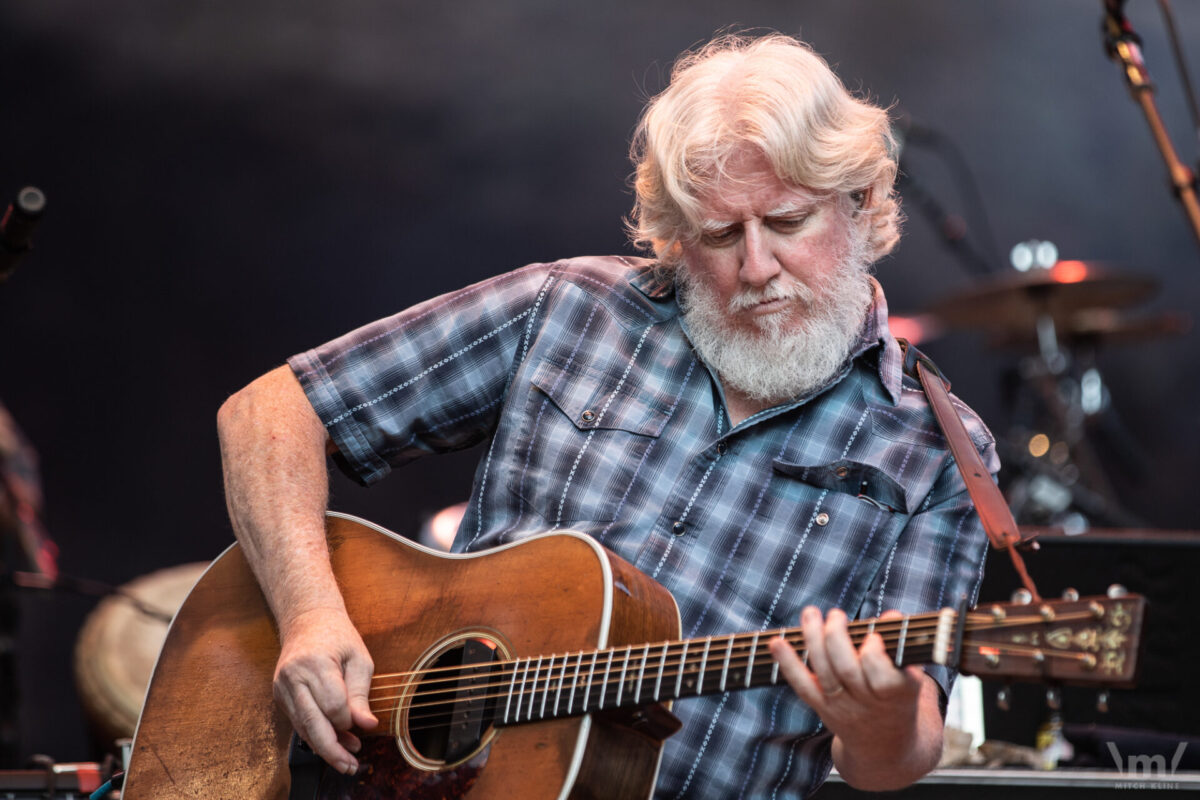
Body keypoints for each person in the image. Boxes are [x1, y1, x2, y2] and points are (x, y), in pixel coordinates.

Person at [217, 32, 996, 798]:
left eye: (788, 222)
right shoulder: (567, 309)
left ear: (858, 202)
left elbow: (895, 758)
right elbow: (269, 413)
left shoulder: (936, 453)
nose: (756, 268)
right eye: (720, 235)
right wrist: (311, 616)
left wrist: (883, 721)